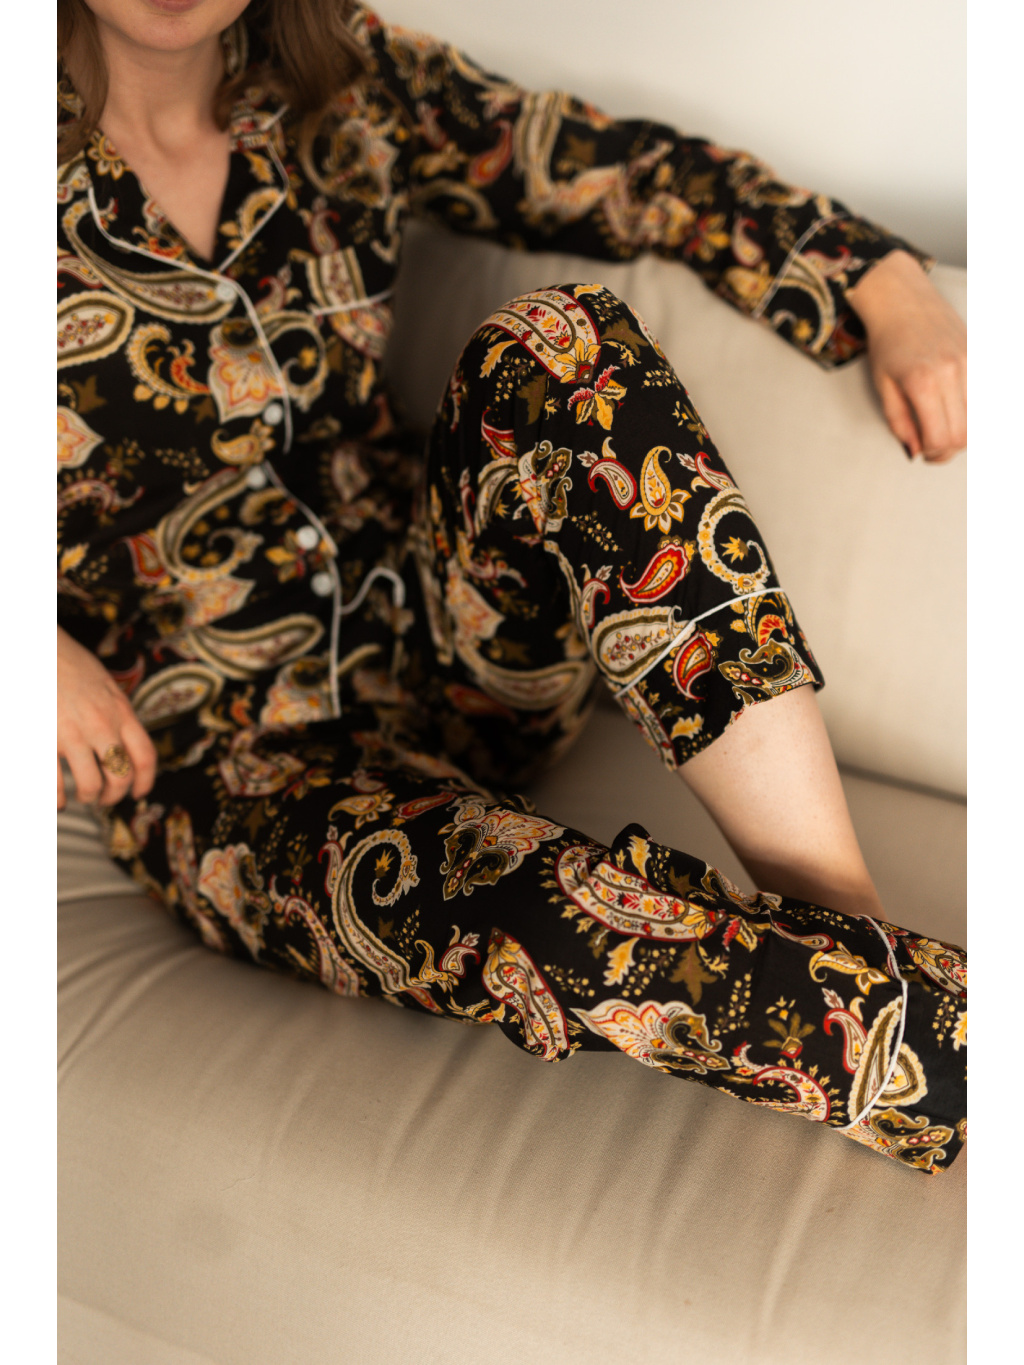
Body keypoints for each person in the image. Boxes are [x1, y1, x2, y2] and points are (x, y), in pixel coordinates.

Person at [57, 0, 967, 1171]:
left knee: (557, 343)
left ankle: (847, 924)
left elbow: (624, 171)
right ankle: (945, 1047)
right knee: (538, 912)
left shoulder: (350, 85)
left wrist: (880, 279)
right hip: (226, 766)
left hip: (455, 637)